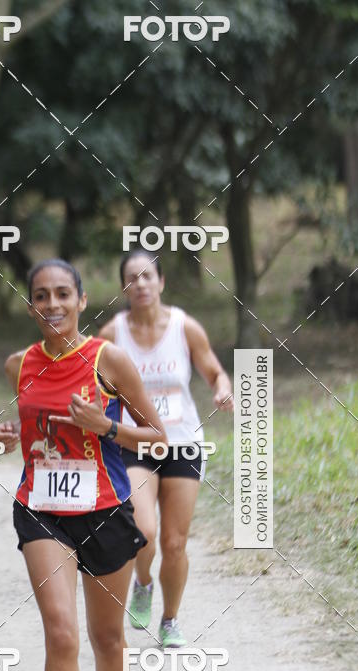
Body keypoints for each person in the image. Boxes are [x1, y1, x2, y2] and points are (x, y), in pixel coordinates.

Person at [0, 258, 165, 671]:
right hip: (41, 509)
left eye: (63, 293)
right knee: (61, 634)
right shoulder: (20, 363)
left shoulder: (107, 360)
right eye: (41, 295)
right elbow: (26, 424)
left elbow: (157, 437)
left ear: (82, 299)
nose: (52, 304)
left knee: (106, 639)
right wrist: (5, 433)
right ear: (31, 305)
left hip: (105, 509)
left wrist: (106, 427)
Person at [98, 250, 234, 648]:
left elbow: (212, 370)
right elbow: (91, 384)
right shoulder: (111, 335)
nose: (140, 284)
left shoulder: (184, 327)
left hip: (183, 443)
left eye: (147, 276)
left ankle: (170, 619)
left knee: (175, 543)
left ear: (161, 282)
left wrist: (222, 390)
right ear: (123, 288)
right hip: (136, 442)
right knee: (143, 530)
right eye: (131, 278)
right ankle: (142, 584)